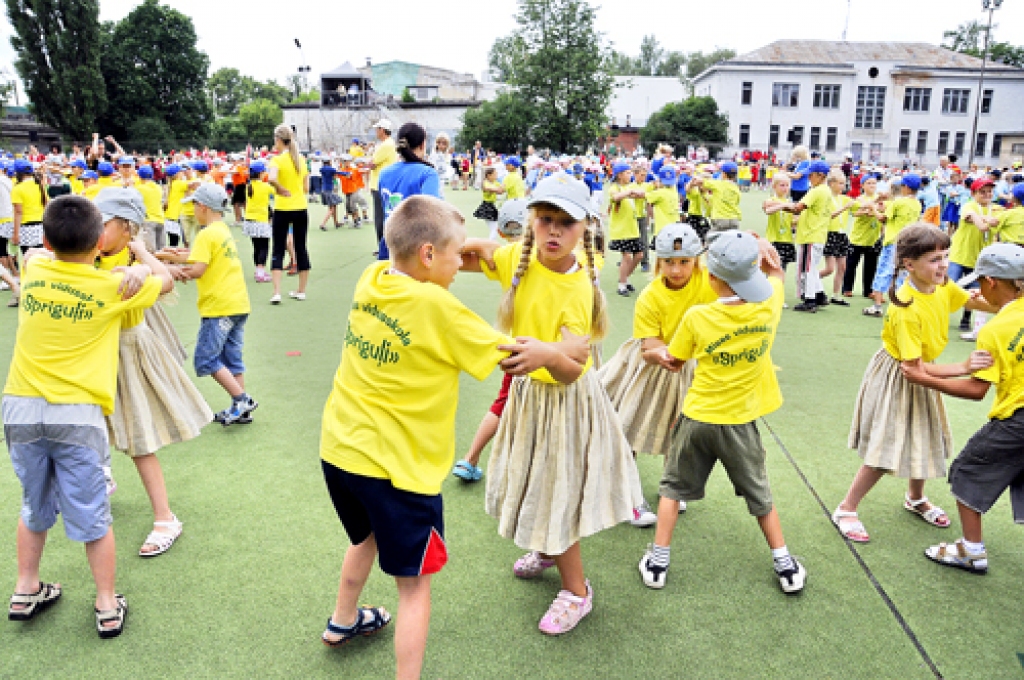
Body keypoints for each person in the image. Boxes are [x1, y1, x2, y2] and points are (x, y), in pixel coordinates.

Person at [318, 194, 583, 677]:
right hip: (397, 472)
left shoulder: (372, 276)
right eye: (455, 254)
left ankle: (344, 621)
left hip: (339, 453)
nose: (462, 263)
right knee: (414, 587)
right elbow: (525, 359)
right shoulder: (440, 308)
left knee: (367, 537)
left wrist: (478, 242)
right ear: (426, 256)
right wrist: (566, 350)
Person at [460, 174, 643, 635]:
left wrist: (544, 353)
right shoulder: (516, 261)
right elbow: (471, 252)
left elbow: (572, 369)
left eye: (566, 222)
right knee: (537, 481)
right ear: (531, 222)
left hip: (563, 401)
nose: (554, 231)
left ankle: (577, 593)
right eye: (545, 220)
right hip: (530, 398)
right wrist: (425, 249)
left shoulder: (577, 289)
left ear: (586, 227)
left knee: (556, 489)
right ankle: (546, 546)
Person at [4, 195, 166, 638]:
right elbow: (165, 281)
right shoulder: (112, 287)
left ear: (48, 237)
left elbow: (35, 254)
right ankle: (107, 605)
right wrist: (138, 264)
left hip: (19, 408)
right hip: (76, 415)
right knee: (93, 514)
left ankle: (25, 588)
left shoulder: (35, 271)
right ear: (99, 241)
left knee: (33, 504)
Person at [637, 230, 807, 594]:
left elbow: (676, 360)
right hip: (740, 422)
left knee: (671, 489)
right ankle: (785, 564)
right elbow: (776, 277)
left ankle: (657, 560)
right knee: (760, 496)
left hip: (697, 416)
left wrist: (658, 355)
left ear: (710, 278)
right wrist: (765, 255)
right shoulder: (769, 305)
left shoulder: (698, 317)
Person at [833, 224, 998, 543]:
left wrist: (1007, 302)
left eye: (946, 257)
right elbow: (913, 369)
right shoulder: (905, 307)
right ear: (909, 264)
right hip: (900, 375)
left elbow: (969, 301)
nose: (944, 265)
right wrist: (963, 367)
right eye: (935, 259)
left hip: (925, 369)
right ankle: (847, 508)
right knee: (887, 445)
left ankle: (915, 497)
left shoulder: (942, 284)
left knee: (926, 434)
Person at [88, 188, 209, 555]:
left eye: (102, 224)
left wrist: (141, 261)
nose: (93, 232)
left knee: (139, 438)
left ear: (127, 228)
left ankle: (165, 517)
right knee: (87, 427)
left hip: (125, 351)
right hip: (90, 355)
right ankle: (101, 476)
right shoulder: (89, 254)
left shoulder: (129, 255)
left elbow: (166, 281)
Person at [901, 244, 1024, 574]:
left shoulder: (995, 330)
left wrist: (923, 377)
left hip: (1018, 419)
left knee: (968, 470)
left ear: (992, 282)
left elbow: (975, 389)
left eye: (981, 283)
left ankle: (971, 551)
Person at [599, 223, 713, 526]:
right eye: (668, 262)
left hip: (688, 363)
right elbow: (650, 345)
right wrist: (667, 354)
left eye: (684, 262)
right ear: (658, 262)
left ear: (696, 261)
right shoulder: (650, 296)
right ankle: (626, 497)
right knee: (632, 427)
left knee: (680, 430)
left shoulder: (707, 281)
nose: (676, 270)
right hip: (651, 364)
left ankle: (673, 488)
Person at [158, 184, 257, 426]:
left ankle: (242, 399)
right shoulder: (220, 230)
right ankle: (240, 407)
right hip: (237, 305)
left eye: (194, 205)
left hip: (219, 307)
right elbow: (197, 256)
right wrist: (164, 256)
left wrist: (170, 272)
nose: (193, 209)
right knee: (232, 358)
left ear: (202, 207)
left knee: (206, 358)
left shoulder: (206, 234)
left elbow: (197, 268)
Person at [452, 198, 529, 483]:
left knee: (501, 404)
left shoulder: (502, 257)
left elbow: (455, 255)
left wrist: (481, 244)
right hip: (550, 351)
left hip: (518, 346)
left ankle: (470, 458)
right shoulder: (535, 258)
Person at [375, 123, 443, 261]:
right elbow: (432, 210)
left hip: (389, 244)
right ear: (423, 144)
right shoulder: (427, 173)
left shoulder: (384, 173)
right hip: (417, 248)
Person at [862, 175, 923, 317]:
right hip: (908, 243)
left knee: (884, 271)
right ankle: (899, 304)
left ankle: (877, 305)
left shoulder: (898, 202)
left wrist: (874, 208)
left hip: (893, 242)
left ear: (906, 187)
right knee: (903, 274)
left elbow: (883, 218)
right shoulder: (917, 204)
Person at [950, 178, 1000, 340]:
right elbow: (978, 223)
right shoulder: (969, 206)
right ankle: (938, 314)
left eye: (989, 191)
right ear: (973, 193)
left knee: (975, 292)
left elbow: (999, 220)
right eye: (982, 192)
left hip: (979, 260)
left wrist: (990, 219)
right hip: (959, 254)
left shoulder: (997, 209)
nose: (987, 194)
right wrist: (985, 220)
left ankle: (966, 319)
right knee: (947, 285)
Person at [266, 124, 310, 304]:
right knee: (301, 248)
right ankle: (301, 290)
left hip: (283, 209)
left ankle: (277, 292)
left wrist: (280, 189)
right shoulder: (301, 159)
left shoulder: (276, 160)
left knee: (278, 248)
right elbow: (306, 188)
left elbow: (271, 178)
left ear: (278, 140)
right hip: (300, 207)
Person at [788, 160, 832, 312]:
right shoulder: (826, 191)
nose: (808, 178)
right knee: (812, 267)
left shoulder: (816, 191)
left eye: (811, 175)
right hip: (818, 234)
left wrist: (780, 206)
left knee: (806, 269)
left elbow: (798, 207)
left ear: (820, 176)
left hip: (809, 235)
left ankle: (809, 299)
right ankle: (819, 295)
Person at [606, 162, 645, 297]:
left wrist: (638, 193)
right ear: (620, 175)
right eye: (628, 173)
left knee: (639, 255)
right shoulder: (614, 188)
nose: (630, 175)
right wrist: (629, 192)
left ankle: (624, 277)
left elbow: (639, 193)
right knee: (627, 256)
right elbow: (616, 197)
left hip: (632, 228)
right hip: (621, 230)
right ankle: (622, 285)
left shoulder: (630, 186)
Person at [817, 170, 855, 306]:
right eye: (840, 183)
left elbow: (857, 208)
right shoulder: (826, 197)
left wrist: (875, 203)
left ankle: (836, 295)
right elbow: (829, 215)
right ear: (831, 183)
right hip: (830, 234)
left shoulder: (844, 198)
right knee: (829, 268)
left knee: (842, 267)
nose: (843, 186)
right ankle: (811, 281)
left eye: (844, 183)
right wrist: (845, 208)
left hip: (841, 234)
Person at [843, 175, 883, 298]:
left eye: (874, 183)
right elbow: (856, 212)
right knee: (851, 265)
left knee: (871, 267)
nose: (872, 185)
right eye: (869, 183)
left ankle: (868, 290)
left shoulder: (880, 200)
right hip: (857, 238)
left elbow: (882, 212)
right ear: (862, 186)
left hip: (873, 238)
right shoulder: (859, 199)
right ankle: (847, 288)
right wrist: (869, 210)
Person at [242, 161, 274, 283]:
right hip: (261, 220)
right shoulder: (265, 186)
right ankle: (260, 271)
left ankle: (258, 270)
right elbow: (276, 192)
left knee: (256, 247)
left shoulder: (248, 186)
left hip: (249, 220)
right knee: (264, 247)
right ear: (261, 173)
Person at [762, 173, 796, 288]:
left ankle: (778, 294)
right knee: (772, 269)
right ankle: (768, 294)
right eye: (782, 185)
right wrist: (783, 206)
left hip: (786, 240)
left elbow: (792, 222)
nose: (785, 188)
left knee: (782, 270)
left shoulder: (789, 202)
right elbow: (768, 211)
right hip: (773, 239)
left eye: (787, 185)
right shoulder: (772, 200)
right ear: (774, 186)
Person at [369, 120, 398, 250]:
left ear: (382, 130)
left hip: (379, 184)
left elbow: (372, 163)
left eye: (377, 129)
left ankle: (383, 247)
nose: (376, 131)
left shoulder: (386, 145)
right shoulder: (389, 144)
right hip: (385, 184)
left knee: (380, 218)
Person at [11, 159, 48, 255]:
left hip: (26, 229)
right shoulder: (39, 185)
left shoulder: (17, 189)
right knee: (40, 257)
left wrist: (15, 234)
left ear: (17, 173)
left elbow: (18, 212)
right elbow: (47, 205)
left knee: (28, 258)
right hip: (41, 227)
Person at [695, 161, 742, 232]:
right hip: (734, 219)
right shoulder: (736, 188)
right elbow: (737, 201)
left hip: (720, 218)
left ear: (724, 174)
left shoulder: (718, 184)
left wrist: (698, 175)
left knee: (711, 239)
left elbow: (700, 181)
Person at [135, 165, 166, 251]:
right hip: (160, 219)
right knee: (161, 249)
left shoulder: (139, 188)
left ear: (140, 176)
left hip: (148, 221)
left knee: (151, 250)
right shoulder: (158, 187)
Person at [474, 167, 504, 241]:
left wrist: (500, 188)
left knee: (494, 228)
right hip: (487, 207)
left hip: (492, 206)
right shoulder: (485, 182)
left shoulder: (495, 182)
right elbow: (488, 188)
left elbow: (500, 191)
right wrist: (498, 188)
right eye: (495, 174)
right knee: (495, 228)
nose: (496, 175)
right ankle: (491, 243)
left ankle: (492, 243)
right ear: (488, 175)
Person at [319, 159, 342, 231]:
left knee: (334, 205)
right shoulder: (330, 169)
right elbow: (338, 173)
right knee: (331, 208)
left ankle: (336, 223)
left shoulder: (322, 169)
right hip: (329, 191)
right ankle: (323, 224)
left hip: (324, 190)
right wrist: (347, 174)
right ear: (329, 162)